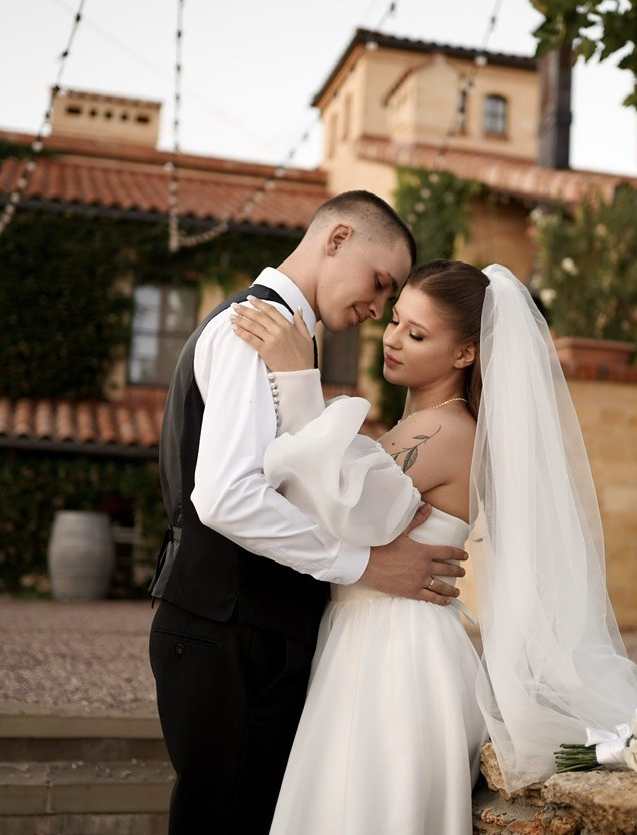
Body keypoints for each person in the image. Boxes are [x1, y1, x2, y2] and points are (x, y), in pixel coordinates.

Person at [230, 260, 637, 834]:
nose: (392, 339)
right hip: (370, 637)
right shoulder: (416, 426)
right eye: (395, 321)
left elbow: (339, 507)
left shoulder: (449, 431)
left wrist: (297, 378)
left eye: (417, 333)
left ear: (464, 354)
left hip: (398, 652)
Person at [147, 191, 468, 835]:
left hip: (257, 630)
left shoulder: (288, 342)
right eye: (380, 284)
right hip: (231, 630)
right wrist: (364, 565)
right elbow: (227, 497)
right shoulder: (255, 331)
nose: (378, 311)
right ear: (338, 238)